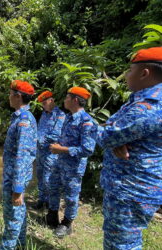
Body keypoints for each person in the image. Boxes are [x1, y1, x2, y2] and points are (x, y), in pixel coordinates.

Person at [96, 47, 162, 250]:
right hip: (127, 187)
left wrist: (111, 137)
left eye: (130, 70)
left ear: (145, 73)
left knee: (122, 245)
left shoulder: (149, 107)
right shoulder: (139, 102)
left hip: (130, 190)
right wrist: (115, 137)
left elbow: (106, 136)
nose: (126, 75)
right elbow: (113, 130)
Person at [46, 87, 96, 238]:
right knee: (53, 187)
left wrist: (62, 149)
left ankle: (67, 223)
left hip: (73, 167)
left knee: (71, 196)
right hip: (59, 162)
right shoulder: (68, 117)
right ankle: (53, 214)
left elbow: (87, 149)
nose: (64, 100)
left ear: (75, 100)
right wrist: (57, 146)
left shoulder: (86, 122)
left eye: (67, 97)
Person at [0, 80, 37, 250]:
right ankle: (21, 242)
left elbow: (23, 156)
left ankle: (7, 246)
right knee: (18, 211)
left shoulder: (24, 120)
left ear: (18, 96)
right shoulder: (18, 117)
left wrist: (17, 188)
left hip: (15, 177)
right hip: (13, 174)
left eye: (10, 93)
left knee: (12, 215)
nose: (8, 97)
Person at [33, 91, 65, 210]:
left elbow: (56, 135)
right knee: (40, 177)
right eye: (42, 103)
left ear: (51, 101)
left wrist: (38, 140)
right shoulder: (44, 114)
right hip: (40, 152)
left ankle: (51, 205)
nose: (43, 105)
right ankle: (42, 200)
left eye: (44, 103)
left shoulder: (59, 115)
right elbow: (39, 130)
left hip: (51, 154)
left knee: (49, 179)